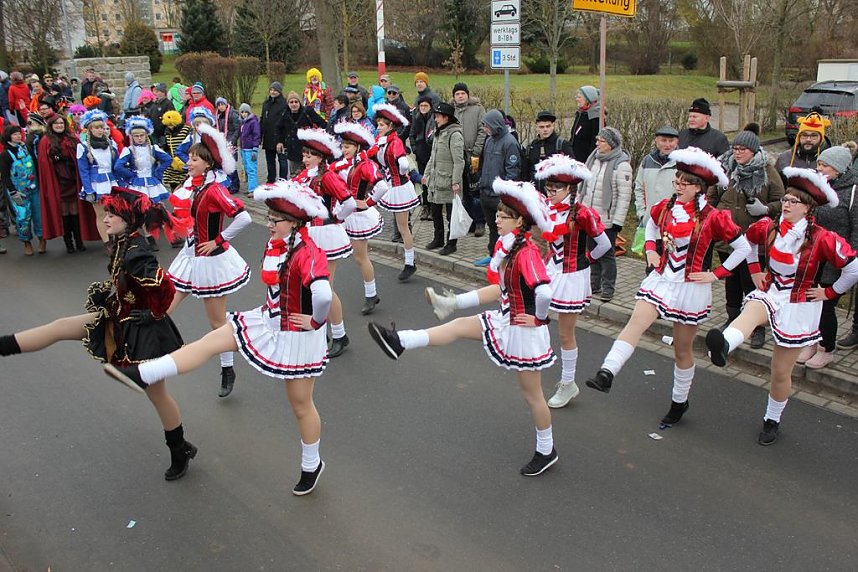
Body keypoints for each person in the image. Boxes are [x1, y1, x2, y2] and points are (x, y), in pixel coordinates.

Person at [105, 180, 333, 496]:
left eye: (274, 220)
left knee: (301, 405)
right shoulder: (278, 243)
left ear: (294, 222)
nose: (268, 224)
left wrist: (316, 321)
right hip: (265, 319)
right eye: (267, 218)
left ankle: (312, 464)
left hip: (296, 337)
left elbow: (322, 293)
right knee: (209, 342)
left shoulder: (308, 252)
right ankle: (145, 372)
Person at [369, 179, 560, 477]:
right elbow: (498, 291)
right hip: (506, 319)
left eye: (503, 216)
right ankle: (400, 340)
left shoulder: (526, 252)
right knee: (458, 326)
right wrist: (455, 303)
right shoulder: (509, 248)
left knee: (532, 395)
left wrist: (539, 318)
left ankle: (547, 450)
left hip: (525, 333)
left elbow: (545, 291)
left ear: (519, 220)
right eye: (496, 214)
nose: (496, 219)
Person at [1, 187, 196, 480]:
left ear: (127, 219)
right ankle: (4, 346)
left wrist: (150, 313)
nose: (105, 219)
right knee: (61, 326)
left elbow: (166, 289)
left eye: (111, 214)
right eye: (106, 213)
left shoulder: (136, 252)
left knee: (157, 395)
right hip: (118, 316)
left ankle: (179, 449)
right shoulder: (123, 242)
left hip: (143, 334)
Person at [585, 148, 751, 431]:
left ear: (699, 188)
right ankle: (607, 372)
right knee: (636, 322)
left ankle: (679, 402)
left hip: (690, 288)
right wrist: (650, 251)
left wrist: (715, 274)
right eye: (677, 179)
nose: (678, 185)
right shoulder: (664, 207)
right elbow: (649, 229)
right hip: (661, 278)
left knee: (682, 350)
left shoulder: (713, 217)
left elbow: (743, 247)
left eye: (684, 182)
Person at [705, 168, 858, 445]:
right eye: (785, 199)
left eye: (792, 202)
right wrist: (754, 271)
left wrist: (829, 292)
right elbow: (747, 244)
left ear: (808, 208)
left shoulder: (822, 238)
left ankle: (772, 419)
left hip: (800, 305)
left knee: (779, 372)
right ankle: (724, 345)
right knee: (750, 311)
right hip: (772, 291)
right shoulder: (768, 226)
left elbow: (853, 268)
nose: (786, 205)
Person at [166, 126, 252, 398]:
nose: (188, 163)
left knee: (217, 323)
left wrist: (218, 239)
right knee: (165, 303)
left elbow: (244, 217)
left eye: (193, 159)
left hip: (211, 260)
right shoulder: (197, 185)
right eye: (188, 158)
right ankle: (147, 350)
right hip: (191, 255)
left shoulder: (214, 189)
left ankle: (228, 367)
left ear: (207, 163)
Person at [535, 155, 611, 408]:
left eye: (556, 188)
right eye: (549, 187)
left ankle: (568, 384)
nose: (551, 192)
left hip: (572, 276)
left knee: (565, 333)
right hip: (550, 269)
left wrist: (586, 259)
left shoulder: (582, 213)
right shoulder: (546, 207)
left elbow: (604, 244)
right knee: (536, 319)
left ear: (570, 189)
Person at [709, 124, 784, 348]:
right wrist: (713, 218)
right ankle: (732, 318)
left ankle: (757, 327)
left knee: (753, 283)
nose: (737, 152)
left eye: (742, 149)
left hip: (754, 242)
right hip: (727, 238)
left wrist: (766, 209)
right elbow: (712, 196)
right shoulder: (725, 168)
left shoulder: (768, 171)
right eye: (735, 148)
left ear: (754, 150)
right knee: (731, 281)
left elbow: (782, 202)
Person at [291, 128, 356, 357]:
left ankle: (339, 334)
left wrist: (336, 216)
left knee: (325, 288)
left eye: (309, 155)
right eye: (304, 154)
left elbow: (348, 201)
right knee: (311, 286)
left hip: (326, 235)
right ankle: (320, 330)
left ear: (320, 157)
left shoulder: (327, 177)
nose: (305, 158)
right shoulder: (303, 176)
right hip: (308, 234)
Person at [796, 147, 858, 368]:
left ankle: (826, 349)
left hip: (837, 258)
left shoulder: (853, 192)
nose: (818, 168)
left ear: (840, 168)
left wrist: (849, 260)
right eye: (819, 164)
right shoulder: (818, 187)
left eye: (824, 165)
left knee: (825, 305)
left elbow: (856, 229)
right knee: (809, 301)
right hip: (812, 255)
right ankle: (811, 341)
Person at [333, 122, 389, 315]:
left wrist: (369, 202)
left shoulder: (365, 165)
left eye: (347, 146)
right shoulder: (347, 163)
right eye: (342, 146)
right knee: (357, 257)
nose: (344, 150)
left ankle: (371, 295)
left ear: (356, 147)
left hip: (359, 216)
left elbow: (382, 186)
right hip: (348, 213)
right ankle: (371, 294)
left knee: (361, 257)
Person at [579, 127, 633, 301]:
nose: (597, 144)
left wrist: (618, 221)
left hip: (607, 219)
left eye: (601, 141)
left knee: (607, 254)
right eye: (597, 140)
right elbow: (585, 187)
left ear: (611, 144)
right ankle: (594, 284)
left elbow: (624, 196)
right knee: (591, 250)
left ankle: (608, 287)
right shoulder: (593, 159)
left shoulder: (621, 165)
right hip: (589, 215)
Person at [371, 103, 421, 281]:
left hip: (399, 187)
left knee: (403, 227)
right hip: (391, 185)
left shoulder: (395, 141)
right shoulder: (381, 141)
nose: (378, 128)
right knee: (401, 226)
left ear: (390, 126)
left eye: (382, 125)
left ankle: (410, 262)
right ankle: (409, 262)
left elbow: (404, 164)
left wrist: (398, 175)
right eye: (378, 125)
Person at [39, 112, 100, 254]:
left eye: (61, 123)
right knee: (64, 211)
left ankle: (79, 241)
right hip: (58, 181)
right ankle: (69, 243)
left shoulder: (72, 139)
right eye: (56, 123)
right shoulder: (45, 141)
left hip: (73, 180)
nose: (59, 125)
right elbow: (44, 164)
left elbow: (81, 158)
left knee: (75, 210)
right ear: (51, 126)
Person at [113, 116, 172, 252]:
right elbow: (118, 166)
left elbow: (167, 159)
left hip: (152, 182)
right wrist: (131, 176)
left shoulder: (154, 148)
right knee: (143, 211)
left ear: (147, 135)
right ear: (131, 137)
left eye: (142, 135)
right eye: (136, 136)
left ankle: (172, 234)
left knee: (159, 208)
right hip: (138, 184)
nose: (139, 138)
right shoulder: (128, 150)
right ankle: (149, 237)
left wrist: (158, 173)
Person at [474, 109, 521, 267]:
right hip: (485, 192)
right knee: (492, 228)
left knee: (503, 228)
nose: (485, 129)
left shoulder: (510, 142)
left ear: (495, 125)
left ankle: (505, 257)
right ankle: (492, 254)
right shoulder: (489, 140)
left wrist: (504, 192)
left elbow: (512, 170)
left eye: (487, 126)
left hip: (499, 196)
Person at [423, 102, 463, 256]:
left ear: (446, 118)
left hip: (449, 181)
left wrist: (456, 182)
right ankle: (438, 238)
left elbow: (459, 162)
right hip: (435, 180)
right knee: (435, 210)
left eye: (438, 116)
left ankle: (451, 243)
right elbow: (432, 157)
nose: (436, 119)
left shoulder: (455, 135)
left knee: (451, 215)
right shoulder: (439, 132)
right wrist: (426, 174)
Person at [76, 109, 118, 247]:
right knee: (101, 215)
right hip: (96, 184)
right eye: (97, 128)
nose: (101, 130)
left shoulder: (111, 144)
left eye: (102, 127)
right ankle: (107, 243)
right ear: (89, 129)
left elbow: (116, 166)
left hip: (111, 182)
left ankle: (116, 238)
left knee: (114, 213)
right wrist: (88, 190)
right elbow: (83, 171)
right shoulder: (83, 147)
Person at [1, 125, 44, 255]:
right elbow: (5, 176)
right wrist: (13, 191)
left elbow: (36, 166)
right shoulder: (5, 155)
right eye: (15, 134)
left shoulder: (27, 148)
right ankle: (27, 242)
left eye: (19, 133)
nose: (18, 136)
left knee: (39, 215)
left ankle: (42, 239)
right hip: (18, 192)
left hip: (34, 188)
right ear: (8, 136)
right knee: (23, 218)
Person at [451, 83, 487, 237]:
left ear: (467, 94)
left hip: (473, 156)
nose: (460, 96)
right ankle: (470, 222)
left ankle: (480, 222)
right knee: (463, 191)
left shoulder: (478, 109)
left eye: (462, 93)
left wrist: (476, 151)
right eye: (457, 94)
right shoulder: (452, 112)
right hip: (458, 157)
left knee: (476, 190)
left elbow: (482, 130)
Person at [634, 126, 679, 227]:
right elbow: (639, 188)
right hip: (649, 220)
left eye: (671, 141)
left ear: (677, 142)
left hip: (673, 222)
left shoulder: (682, 163)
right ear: (656, 141)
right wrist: (642, 213)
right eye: (663, 140)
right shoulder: (647, 161)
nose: (667, 144)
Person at [279, 91, 326, 178]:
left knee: (309, 173)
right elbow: (279, 129)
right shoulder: (284, 114)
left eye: (296, 102)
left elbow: (322, 123)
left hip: (307, 148)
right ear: (288, 104)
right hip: (292, 149)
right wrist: (279, 142)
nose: (294, 104)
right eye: (291, 102)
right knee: (295, 175)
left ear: (300, 103)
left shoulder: (307, 111)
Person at [522, 110, 573, 190]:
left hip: (555, 194)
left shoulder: (562, 145)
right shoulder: (532, 147)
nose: (545, 130)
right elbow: (526, 173)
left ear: (553, 126)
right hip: (535, 195)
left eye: (548, 126)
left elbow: (572, 170)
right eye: (541, 127)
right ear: (536, 127)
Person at [775, 112, 831, 183]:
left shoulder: (830, 162)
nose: (808, 139)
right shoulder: (784, 158)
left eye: (813, 136)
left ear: (821, 138)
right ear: (798, 136)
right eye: (804, 135)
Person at [410, 96, 435, 221]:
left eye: (426, 106)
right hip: (420, 153)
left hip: (431, 152)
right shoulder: (417, 118)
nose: (423, 108)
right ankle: (425, 205)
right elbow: (412, 134)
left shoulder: (434, 118)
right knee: (423, 180)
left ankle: (433, 207)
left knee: (432, 181)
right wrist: (414, 149)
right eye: (421, 106)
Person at [261, 82, 288, 182]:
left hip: (280, 138)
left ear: (279, 91)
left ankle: (283, 180)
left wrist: (282, 139)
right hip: (268, 137)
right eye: (271, 90)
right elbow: (262, 118)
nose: (272, 92)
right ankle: (271, 179)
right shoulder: (266, 103)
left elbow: (285, 122)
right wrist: (260, 135)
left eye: (275, 90)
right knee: (270, 161)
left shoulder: (284, 104)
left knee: (282, 161)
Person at [215, 97, 242, 194]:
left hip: (230, 143)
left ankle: (234, 185)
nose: (221, 107)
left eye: (222, 104)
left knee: (231, 164)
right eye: (219, 105)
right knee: (225, 165)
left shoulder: (232, 114)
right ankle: (228, 184)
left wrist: (232, 141)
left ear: (226, 104)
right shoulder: (218, 115)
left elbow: (237, 129)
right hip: (222, 142)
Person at [161, 110, 191, 192]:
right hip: (173, 162)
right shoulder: (167, 132)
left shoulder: (186, 130)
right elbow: (167, 146)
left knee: (184, 185)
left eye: (171, 124)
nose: (170, 126)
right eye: (168, 125)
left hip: (184, 160)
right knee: (173, 183)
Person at [568, 86, 601, 163]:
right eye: (576, 97)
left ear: (588, 99)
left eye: (579, 97)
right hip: (574, 160)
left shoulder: (596, 118)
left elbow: (595, 144)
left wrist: (589, 163)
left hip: (586, 163)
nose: (577, 99)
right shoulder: (581, 114)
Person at [238, 103, 260, 195]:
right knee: (247, 168)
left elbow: (256, 135)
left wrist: (255, 148)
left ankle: (253, 189)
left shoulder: (253, 122)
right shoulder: (243, 122)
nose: (244, 114)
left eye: (245, 112)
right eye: (242, 112)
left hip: (250, 149)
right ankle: (251, 187)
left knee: (251, 169)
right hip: (244, 149)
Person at [148, 83, 175, 149]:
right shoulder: (155, 104)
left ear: (163, 93)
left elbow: (170, 118)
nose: (155, 93)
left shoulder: (168, 103)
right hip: (155, 133)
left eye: (157, 91)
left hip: (163, 133)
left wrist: (165, 129)